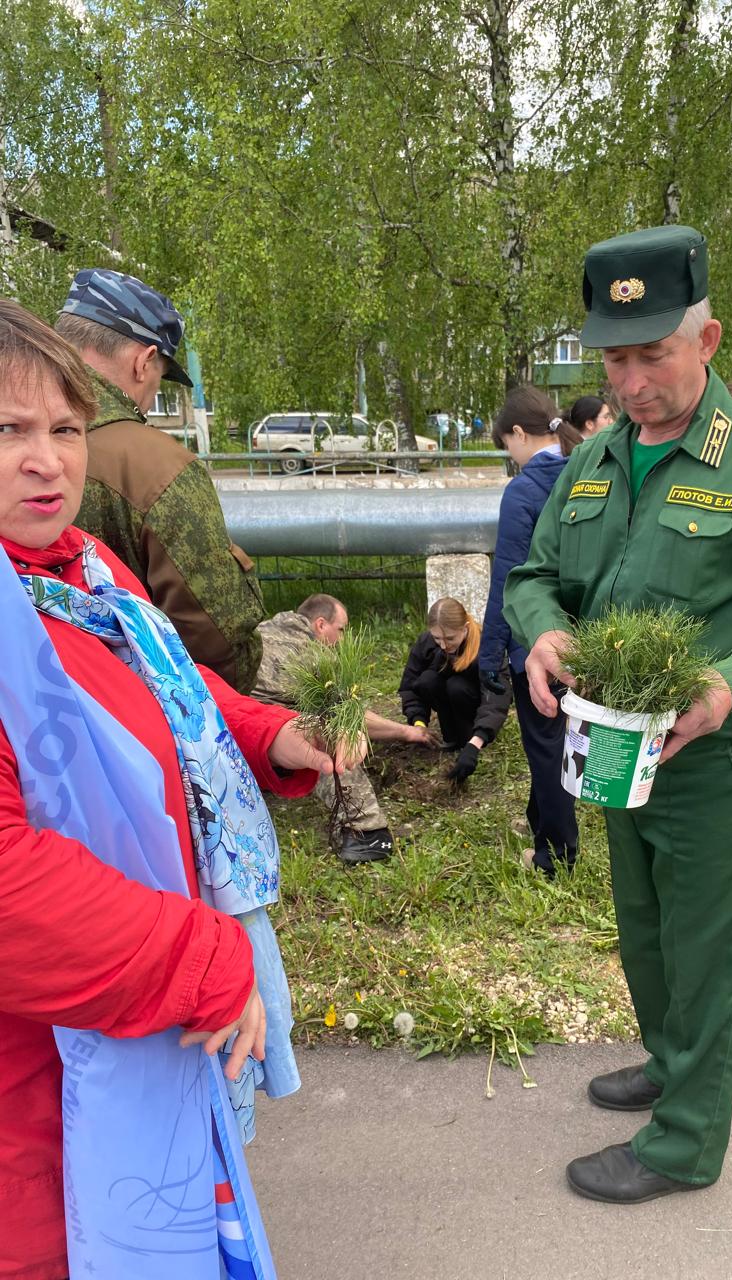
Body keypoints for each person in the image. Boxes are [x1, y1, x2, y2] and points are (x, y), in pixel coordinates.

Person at [503, 225, 732, 1206]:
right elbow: (535, 575)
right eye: (614, 359)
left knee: (710, 951)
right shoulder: (592, 463)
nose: (630, 383)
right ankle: (673, 1062)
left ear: (706, 342)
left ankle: (685, 1142)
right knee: (647, 932)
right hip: (617, 749)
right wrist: (542, 632)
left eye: (652, 355)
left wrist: (728, 683)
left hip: (719, 758)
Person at [0, 298, 346, 1278]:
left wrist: (279, 735)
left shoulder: (81, 570)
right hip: (36, 1081)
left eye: (65, 429)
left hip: (117, 1021)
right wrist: (198, 954)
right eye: (9, 430)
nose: (47, 459)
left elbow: (176, 693)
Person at [54, 268, 265, 693]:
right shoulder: (159, 466)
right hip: (145, 716)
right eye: (160, 378)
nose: (151, 398)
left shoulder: (16, 438)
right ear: (143, 360)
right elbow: (216, 639)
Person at [253, 592, 440, 863]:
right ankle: (366, 833)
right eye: (340, 630)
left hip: (229, 736)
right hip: (268, 738)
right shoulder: (315, 658)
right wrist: (407, 731)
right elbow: (352, 717)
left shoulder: (263, 632)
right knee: (336, 739)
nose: (341, 640)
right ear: (320, 625)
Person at [479, 387, 580, 876]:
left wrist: (490, 650)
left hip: (535, 640)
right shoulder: (584, 473)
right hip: (586, 634)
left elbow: (509, 579)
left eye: (507, 446)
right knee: (566, 734)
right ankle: (540, 820)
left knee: (545, 746)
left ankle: (555, 854)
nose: (509, 457)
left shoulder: (524, 491)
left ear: (519, 434)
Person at [399, 596, 511, 784]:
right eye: (437, 638)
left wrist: (476, 743)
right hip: (448, 702)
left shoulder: (487, 647)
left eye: (450, 638)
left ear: (465, 628)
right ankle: (451, 736)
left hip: (471, 704)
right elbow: (410, 685)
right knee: (427, 680)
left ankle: (468, 737)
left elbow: (496, 697)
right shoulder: (427, 643)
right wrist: (418, 723)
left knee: (456, 686)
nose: (444, 645)